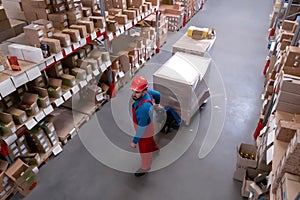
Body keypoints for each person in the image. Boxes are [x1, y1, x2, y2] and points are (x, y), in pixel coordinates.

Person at [130, 76, 160, 177]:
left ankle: (145, 167)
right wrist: (157, 104)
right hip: (150, 126)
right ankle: (155, 149)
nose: (133, 94)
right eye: (133, 91)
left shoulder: (143, 108)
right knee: (150, 141)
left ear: (144, 91)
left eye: (137, 92)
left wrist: (135, 141)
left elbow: (141, 128)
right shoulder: (148, 93)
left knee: (144, 150)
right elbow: (158, 94)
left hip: (144, 132)